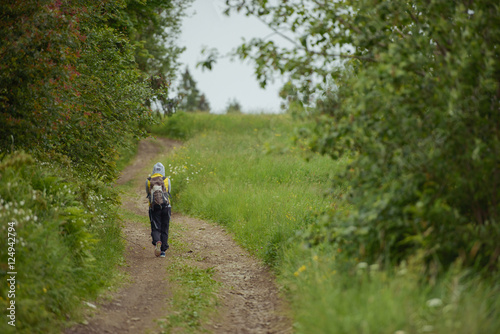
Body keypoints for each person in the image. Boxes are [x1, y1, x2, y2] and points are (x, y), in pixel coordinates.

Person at [145, 162, 171, 258]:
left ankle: (157, 241)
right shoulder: (166, 180)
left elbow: (148, 193)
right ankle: (163, 251)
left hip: (154, 208)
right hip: (166, 207)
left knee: (156, 227)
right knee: (165, 227)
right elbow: (168, 192)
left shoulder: (148, 180)